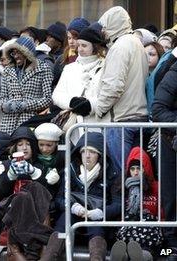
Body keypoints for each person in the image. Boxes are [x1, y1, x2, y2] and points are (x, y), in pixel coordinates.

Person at [73, 6, 149, 175]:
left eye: (105, 27)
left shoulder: (120, 47)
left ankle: (125, 202)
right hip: (138, 116)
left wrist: (99, 109)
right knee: (134, 174)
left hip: (122, 120)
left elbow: (113, 86)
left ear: (114, 25)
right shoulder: (136, 43)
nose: (103, 32)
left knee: (120, 173)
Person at [42, 132, 121, 261]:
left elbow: (118, 204)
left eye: (92, 152)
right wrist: (73, 207)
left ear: (100, 155)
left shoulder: (111, 173)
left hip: (97, 219)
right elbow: (59, 199)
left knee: (97, 229)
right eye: (84, 151)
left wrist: (101, 213)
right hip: (73, 215)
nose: (87, 156)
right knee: (64, 221)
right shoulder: (70, 171)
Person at [52, 27, 106, 143]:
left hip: (98, 124)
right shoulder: (69, 68)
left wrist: (90, 105)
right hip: (73, 126)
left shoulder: (105, 67)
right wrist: (71, 102)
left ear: (95, 47)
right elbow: (57, 95)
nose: (80, 49)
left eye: (84, 46)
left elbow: (109, 95)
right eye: (79, 45)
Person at [110, 147, 160, 261]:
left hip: (149, 230)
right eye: (132, 169)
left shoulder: (156, 187)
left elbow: (162, 211)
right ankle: (122, 256)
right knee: (124, 246)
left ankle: (141, 256)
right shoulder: (121, 186)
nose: (135, 172)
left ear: (145, 168)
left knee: (146, 250)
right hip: (128, 229)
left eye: (139, 168)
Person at [0, 36, 53, 135]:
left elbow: (48, 99)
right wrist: (5, 106)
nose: (15, 56)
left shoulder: (43, 68)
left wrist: (25, 105)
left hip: (30, 121)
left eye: (18, 52)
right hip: (8, 123)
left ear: (27, 53)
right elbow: (2, 97)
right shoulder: (8, 70)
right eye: (13, 53)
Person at [152, 57, 177, 251]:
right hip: (171, 145)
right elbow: (158, 110)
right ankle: (171, 248)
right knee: (172, 200)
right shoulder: (173, 73)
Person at [52, 17, 90, 86]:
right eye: (69, 38)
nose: (71, 42)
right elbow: (53, 83)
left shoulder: (91, 58)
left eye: (75, 38)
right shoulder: (62, 59)